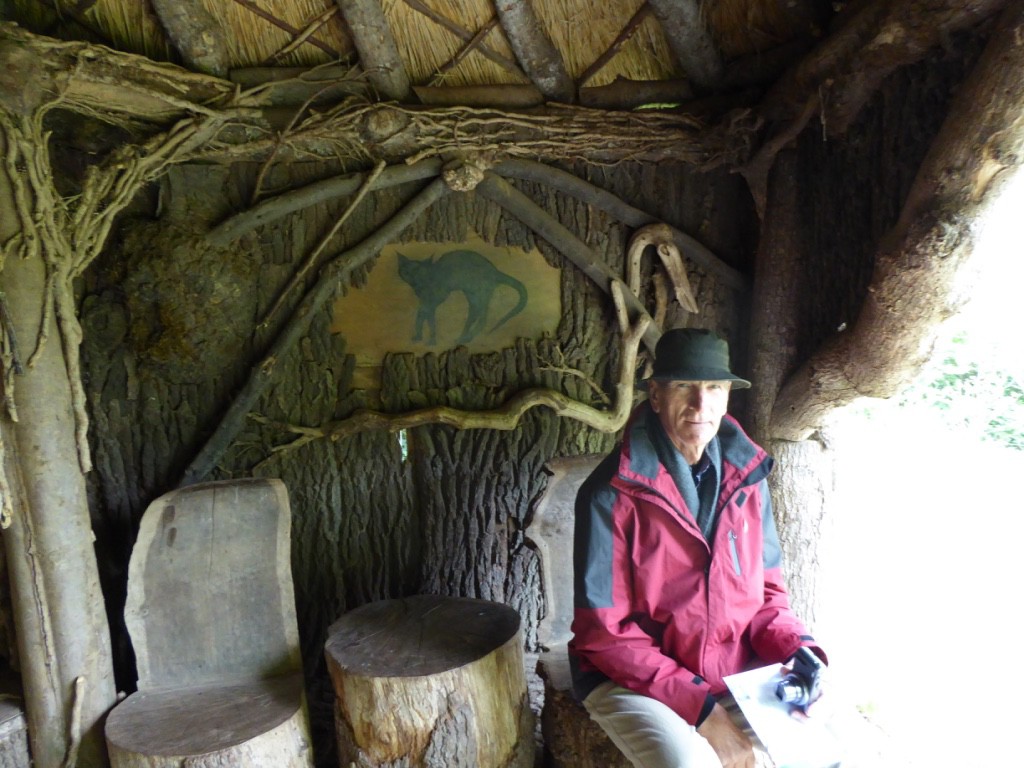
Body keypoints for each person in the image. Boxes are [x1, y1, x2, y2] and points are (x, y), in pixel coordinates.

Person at [569, 328, 826, 768]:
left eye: (714, 387)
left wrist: (798, 651)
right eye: (684, 386)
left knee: (819, 750)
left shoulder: (748, 480)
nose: (700, 404)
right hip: (631, 678)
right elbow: (606, 635)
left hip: (728, 671)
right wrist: (707, 715)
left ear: (727, 396)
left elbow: (767, 599)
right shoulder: (609, 494)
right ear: (655, 395)